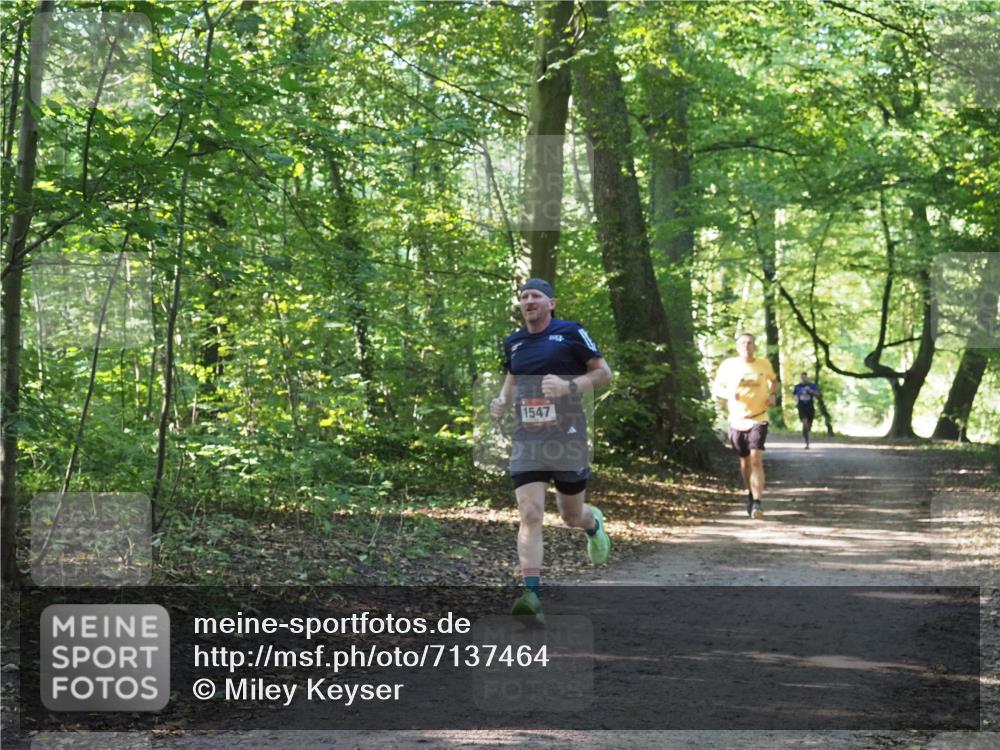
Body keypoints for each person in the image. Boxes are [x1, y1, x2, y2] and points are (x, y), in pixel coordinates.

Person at [490, 278, 613, 625]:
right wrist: (501, 402)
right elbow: (512, 382)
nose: (529, 301)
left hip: (569, 436)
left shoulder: (571, 333)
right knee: (530, 513)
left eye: (536, 296)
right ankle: (532, 595)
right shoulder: (514, 342)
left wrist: (568, 385)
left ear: (551, 303)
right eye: (524, 296)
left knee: (570, 516)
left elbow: (604, 373)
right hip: (527, 439)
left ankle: (593, 524)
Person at [711, 332, 778, 519]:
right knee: (745, 461)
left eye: (749, 343)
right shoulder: (729, 366)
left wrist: (773, 395)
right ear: (737, 346)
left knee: (756, 458)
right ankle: (750, 493)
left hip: (758, 417)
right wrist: (729, 395)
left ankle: (757, 502)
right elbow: (717, 388)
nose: (746, 346)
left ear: (754, 345)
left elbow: (774, 380)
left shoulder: (763, 364)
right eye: (742, 343)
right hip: (737, 419)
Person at [792, 372, 820, 449]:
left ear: (807, 378)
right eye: (802, 377)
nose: (804, 379)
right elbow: (794, 396)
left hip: (810, 406)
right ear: (800, 378)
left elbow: (818, 395)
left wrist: (810, 391)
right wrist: (796, 398)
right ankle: (807, 443)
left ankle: (806, 431)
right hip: (801, 406)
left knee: (809, 425)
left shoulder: (812, 386)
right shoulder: (797, 387)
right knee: (805, 423)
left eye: (805, 377)